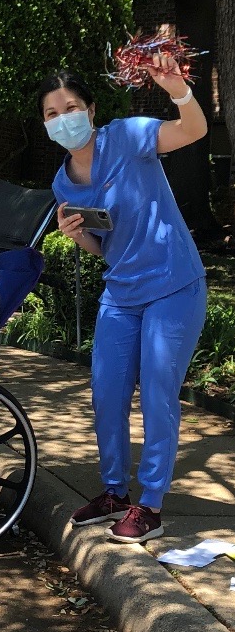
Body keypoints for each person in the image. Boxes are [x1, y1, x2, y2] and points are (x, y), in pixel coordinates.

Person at [38, 54, 208, 543]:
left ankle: (150, 505)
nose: (63, 119)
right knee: (107, 392)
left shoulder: (129, 136)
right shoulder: (63, 181)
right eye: (52, 114)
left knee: (157, 392)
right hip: (122, 292)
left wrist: (177, 89)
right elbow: (103, 244)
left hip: (173, 284)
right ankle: (113, 492)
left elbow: (193, 130)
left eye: (71, 108)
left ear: (91, 110)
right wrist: (77, 236)